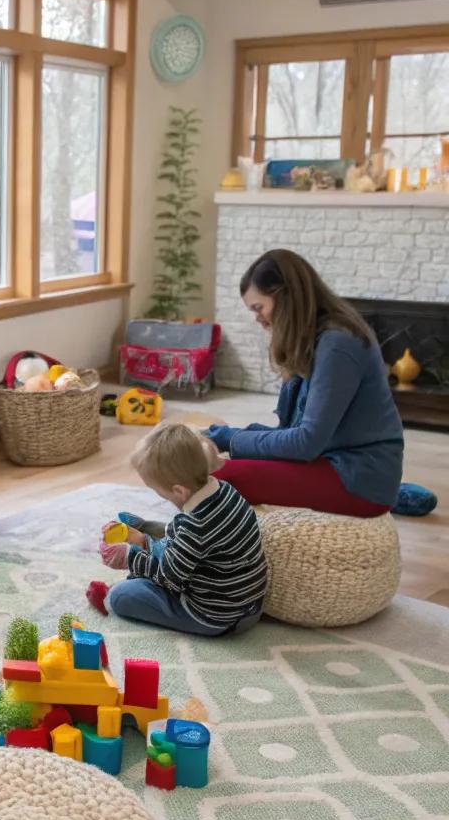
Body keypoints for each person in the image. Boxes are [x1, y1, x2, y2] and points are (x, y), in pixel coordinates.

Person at [205, 250, 403, 516]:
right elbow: (295, 434)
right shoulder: (320, 338)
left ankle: (403, 495)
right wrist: (231, 438)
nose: (259, 319)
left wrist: (230, 439)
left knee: (205, 477)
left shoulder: (337, 345)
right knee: (230, 457)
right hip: (339, 460)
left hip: (357, 476)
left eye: (259, 308)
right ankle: (403, 493)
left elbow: (305, 443)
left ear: (285, 296)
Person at [99, 423, 268, 638]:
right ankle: (144, 538)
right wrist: (144, 530)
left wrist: (130, 558)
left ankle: (137, 564)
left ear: (179, 491)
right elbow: (186, 541)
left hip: (214, 617)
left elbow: (169, 579)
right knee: (165, 545)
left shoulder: (194, 526)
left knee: (121, 597)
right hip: (250, 605)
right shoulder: (226, 491)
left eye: (157, 491)